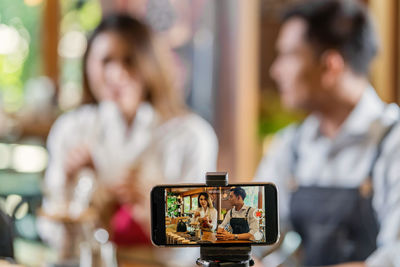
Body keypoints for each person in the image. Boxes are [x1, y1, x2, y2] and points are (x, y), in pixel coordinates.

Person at [39, 14, 218, 250]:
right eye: (105, 61)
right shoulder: (71, 130)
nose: (115, 74)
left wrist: (157, 207)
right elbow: (51, 236)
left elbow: (204, 238)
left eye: (129, 60)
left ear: (151, 63)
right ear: (88, 65)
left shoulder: (191, 136)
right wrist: (69, 184)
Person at [255, 0, 400, 266]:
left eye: (287, 55)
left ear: (330, 66)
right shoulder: (290, 145)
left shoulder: (393, 143)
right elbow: (260, 240)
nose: (276, 71)